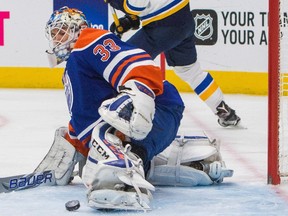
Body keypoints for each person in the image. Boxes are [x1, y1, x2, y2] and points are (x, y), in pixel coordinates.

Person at [35, 7, 233, 211]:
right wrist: (73, 142)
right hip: (145, 122)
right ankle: (156, 160)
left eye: (62, 31)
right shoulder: (75, 65)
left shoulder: (89, 40)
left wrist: (140, 95)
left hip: (159, 108)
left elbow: (138, 64)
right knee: (96, 148)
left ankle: (123, 171)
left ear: (80, 28)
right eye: (54, 34)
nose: (57, 38)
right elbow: (86, 112)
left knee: (110, 121)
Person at [104, 0, 241, 127]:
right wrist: (131, 17)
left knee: (124, 62)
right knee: (190, 70)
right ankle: (223, 110)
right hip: (184, 20)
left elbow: (135, 5)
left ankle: (119, 113)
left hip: (162, 27)